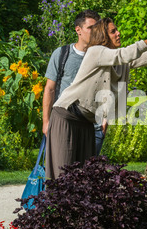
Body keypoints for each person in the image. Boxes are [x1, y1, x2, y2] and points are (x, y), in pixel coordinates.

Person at [45, 17, 147, 180]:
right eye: (113, 31)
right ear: (103, 36)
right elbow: (125, 54)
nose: (118, 33)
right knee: (62, 177)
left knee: (83, 179)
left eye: (116, 30)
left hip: (86, 123)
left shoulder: (119, 61)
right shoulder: (95, 52)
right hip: (66, 117)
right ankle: (51, 206)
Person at [42, 9, 106, 155]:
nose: (95, 32)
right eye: (90, 28)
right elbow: (50, 89)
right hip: (64, 125)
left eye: (97, 28)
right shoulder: (61, 54)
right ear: (78, 30)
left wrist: (104, 122)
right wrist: (46, 123)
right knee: (61, 173)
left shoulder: (101, 56)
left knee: (88, 175)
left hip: (93, 127)